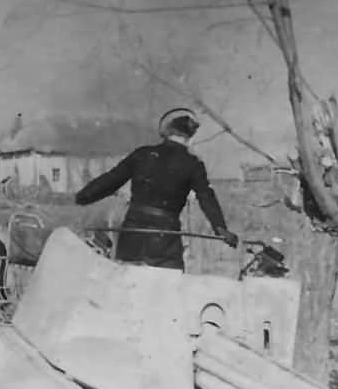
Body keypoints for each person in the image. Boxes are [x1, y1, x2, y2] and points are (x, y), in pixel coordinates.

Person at [74, 107, 238, 270]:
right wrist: (220, 228)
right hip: (165, 238)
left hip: (133, 234)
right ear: (190, 135)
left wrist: (82, 197)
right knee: (167, 286)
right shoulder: (193, 164)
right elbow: (206, 197)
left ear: (165, 131)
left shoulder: (142, 154)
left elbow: (110, 181)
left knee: (129, 285)